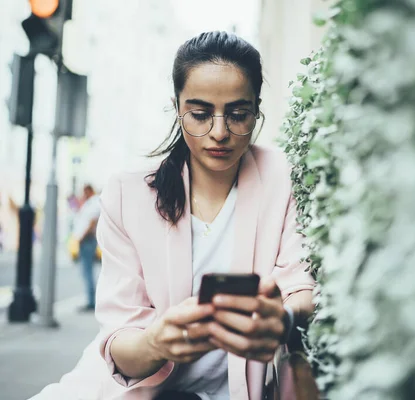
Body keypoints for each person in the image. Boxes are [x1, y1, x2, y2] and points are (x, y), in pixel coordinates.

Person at [33, 31, 314, 400]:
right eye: (199, 114)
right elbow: (118, 341)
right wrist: (156, 344)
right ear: (177, 106)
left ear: (257, 108)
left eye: (238, 114)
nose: (219, 133)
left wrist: (284, 321)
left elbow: (300, 287)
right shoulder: (128, 192)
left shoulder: (281, 175)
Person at [72, 184, 101, 312]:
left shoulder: (95, 202)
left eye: (84, 192)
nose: (83, 194)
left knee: (87, 271)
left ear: (89, 190)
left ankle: (91, 301)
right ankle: (90, 300)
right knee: (86, 271)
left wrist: (82, 237)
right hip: (86, 240)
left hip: (88, 241)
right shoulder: (90, 203)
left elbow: (92, 222)